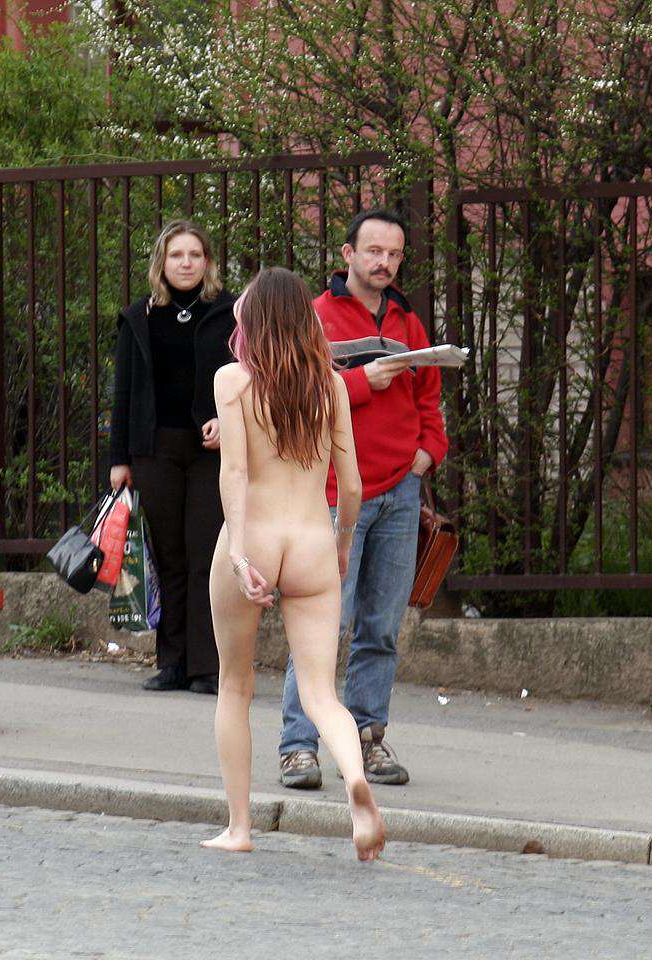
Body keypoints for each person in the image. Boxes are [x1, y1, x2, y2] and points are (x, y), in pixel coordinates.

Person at [203, 266, 384, 860]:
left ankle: (239, 828)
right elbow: (351, 485)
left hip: (254, 537)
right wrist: (344, 541)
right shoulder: (330, 385)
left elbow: (234, 472)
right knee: (321, 694)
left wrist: (236, 553)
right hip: (311, 542)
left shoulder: (233, 381)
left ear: (254, 318)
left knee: (235, 684)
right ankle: (354, 780)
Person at [278, 208, 449, 789]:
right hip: (335, 494)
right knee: (322, 626)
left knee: (381, 627)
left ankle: (369, 739)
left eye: (395, 254)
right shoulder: (316, 317)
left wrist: (429, 451)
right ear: (347, 254)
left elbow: (429, 396)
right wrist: (358, 383)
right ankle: (298, 747)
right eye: (374, 251)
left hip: (401, 489)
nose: (385, 262)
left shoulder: (408, 320)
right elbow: (294, 397)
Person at [110, 219, 236, 696]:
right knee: (167, 557)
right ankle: (173, 662)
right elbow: (124, 392)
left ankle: (208, 667)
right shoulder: (139, 317)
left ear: (208, 263)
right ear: (161, 263)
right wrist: (119, 459)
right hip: (155, 450)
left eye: (195, 255)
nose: (186, 264)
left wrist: (227, 420)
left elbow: (250, 378)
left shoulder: (230, 315)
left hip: (211, 453)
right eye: (177, 255)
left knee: (207, 555)